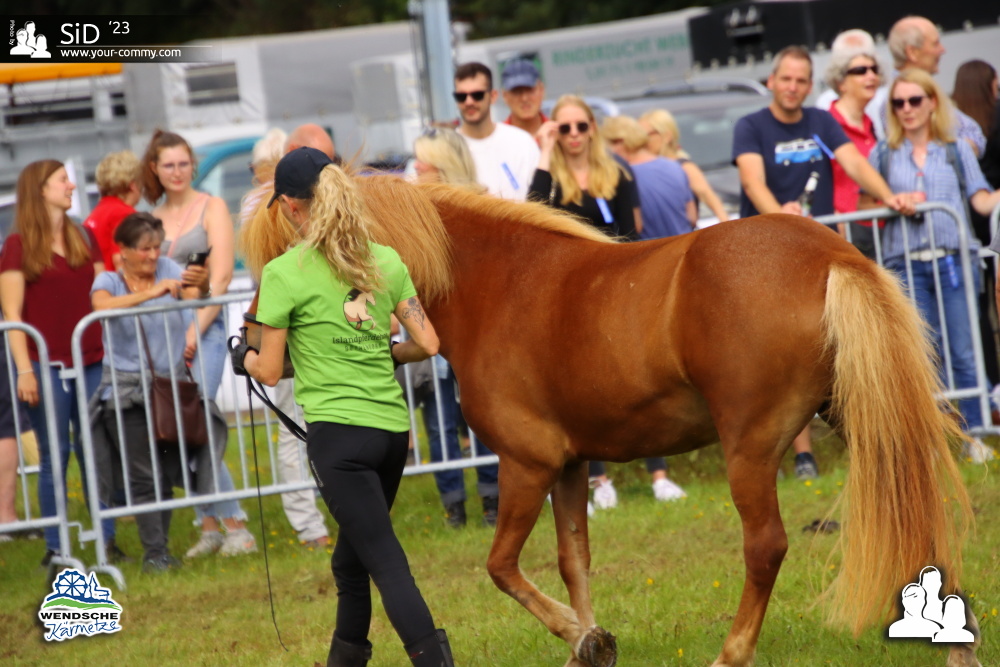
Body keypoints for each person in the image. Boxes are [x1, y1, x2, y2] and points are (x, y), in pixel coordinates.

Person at [236, 147, 455, 666]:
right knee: (351, 562)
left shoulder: (284, 272)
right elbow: (428, 343)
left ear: (290, 206)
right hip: (391, 435)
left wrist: (242, 356)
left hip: (339, 440)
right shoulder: (385, 259)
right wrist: (389, 352)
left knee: (386, 562)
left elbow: (269, 370)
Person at [732, 45, 911, 479]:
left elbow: (853, 163)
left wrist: (889, 196)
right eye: (785, 79)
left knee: (827, 350)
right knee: (782, 356)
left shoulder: (820, 122)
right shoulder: (750, 125)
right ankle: (800, 455)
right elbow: (752, 182)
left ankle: (868, 445)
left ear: (811, 86)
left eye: (801, 80)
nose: (792, 87)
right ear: (771, 81)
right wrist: (782, 218)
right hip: (766, 256)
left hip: (817, 256)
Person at [872, 69, 1000, 464]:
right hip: (905, 265)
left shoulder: (956, 149)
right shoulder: (883, 153)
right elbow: (863, 204)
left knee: (964, 349)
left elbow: (981, 201)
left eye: (915, 100)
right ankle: (935, 437)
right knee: (924, 356)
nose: (907, 109)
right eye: (899, 102)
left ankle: (974, 434)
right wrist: (892, 200)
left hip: (954, 261)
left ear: (932, 102)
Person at [0, 159, 123, 565]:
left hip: (90, 358)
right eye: (62, 180)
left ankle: (106, 540)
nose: (71, 185)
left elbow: (102, 291)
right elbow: (12, 314)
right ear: (40, 190)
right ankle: (56, 547)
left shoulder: (83, 236)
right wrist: (24, 370)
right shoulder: (17, 246)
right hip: (43, 363)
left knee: (95, 450)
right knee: (55, 453)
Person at [141, 130, 257, 557]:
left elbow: (221, 278)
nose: (177, 172)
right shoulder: (151, 216)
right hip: (164, 333)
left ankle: (236, 526)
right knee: (179, 430)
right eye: (168, 165)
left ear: (193, 165)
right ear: (155, 169)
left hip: (204, 329)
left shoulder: (212, 206)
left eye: (183, 163)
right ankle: (209, 525)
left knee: (197, 422)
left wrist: (195, 330)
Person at [89, 212, 211, 571]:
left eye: (157, 247)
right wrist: (151, 293)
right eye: (145, 249)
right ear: (123, 250)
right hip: (125, 394)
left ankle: (161, 551)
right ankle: (155, 554)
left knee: (167, 472)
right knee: (144, 476)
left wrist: (202, 285)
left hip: (169, 391)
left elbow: (192, 295)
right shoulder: (109, 280)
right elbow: (100, 307)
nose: (153, 255)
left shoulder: (169, 268)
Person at [242, 126, 333, 548]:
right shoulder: (268, 209)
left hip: (321, 324)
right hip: (287, 324)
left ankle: (337, 507)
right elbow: (267, 274)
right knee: (293, 425)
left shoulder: (317, 202)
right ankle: (307, 523)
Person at [411, 126, 501, 527]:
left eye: (423, 160)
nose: (415, 167)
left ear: (444, 166)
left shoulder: (483, 209)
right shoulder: (414, 216)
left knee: (483, 418)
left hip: (478, 336)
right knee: (439, 423)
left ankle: (492, 500)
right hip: (433, 336)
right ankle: (454, 507)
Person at [952, 60, 1000, 395]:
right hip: (982, 221)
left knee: (978, 309)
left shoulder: (959, 125)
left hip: (972, 223)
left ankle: (991, 387)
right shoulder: (988, 122)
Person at [874, 16, 986, 156]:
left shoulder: (926, 88)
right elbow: (912, 153)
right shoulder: (890, 100)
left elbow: (975, 135)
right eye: (935, 44)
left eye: (915, 101)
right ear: (912, 52)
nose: (942, 50)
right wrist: (959, 150)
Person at [529, 95, 637, 238]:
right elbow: (532, 219)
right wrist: (546, 150)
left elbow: (629, 235)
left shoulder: (614, 174)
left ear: (592, 128)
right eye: (565, 128)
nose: (574, 133)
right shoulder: (548, 176)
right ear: (556, 132)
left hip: (607, 251)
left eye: (581, 126)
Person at [824, 46, 883, 257]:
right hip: (845, 230)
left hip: (880, 226)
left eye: (874, 69)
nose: (871, 76)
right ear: (841, 82)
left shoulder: (872, 123)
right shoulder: (826, 123)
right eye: (860, 71)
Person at [454, 61, 540, 201]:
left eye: (477, 95)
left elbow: (539, 201)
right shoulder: (446, 148)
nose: (469, 102)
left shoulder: (522, 142)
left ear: (493, 96)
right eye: (461, 96)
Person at [603, 115, 696, 239]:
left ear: (619, 142)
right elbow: (692, 217)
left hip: (652, 249)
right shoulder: (675, 166)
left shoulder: (623, 178)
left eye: (607, 145)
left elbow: (634, 227)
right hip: (685, 244)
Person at [638, 109, 731, 224]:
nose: (641, 141)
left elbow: (707, 194)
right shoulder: (641, 167)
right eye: (637, 135)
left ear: (667, 136)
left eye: (646, 135)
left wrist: (726, 225)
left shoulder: (683, 166)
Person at [83, 150, 143, 271]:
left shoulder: (94, 214)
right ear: (133, 185)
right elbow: (121, 261)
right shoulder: (125, 214)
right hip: (114, 281)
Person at [501, 58, 548, 137]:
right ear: (505, 96)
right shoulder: (496, 139)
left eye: (530, 90)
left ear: (541, 90)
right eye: (516, 92)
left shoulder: (561, 134)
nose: (524, 98)